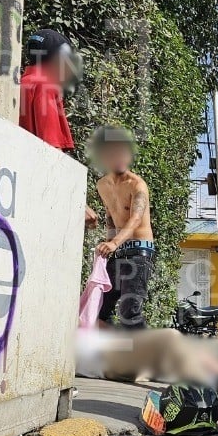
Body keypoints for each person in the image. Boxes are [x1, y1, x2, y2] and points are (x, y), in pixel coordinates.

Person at [19, 29, 95, 228]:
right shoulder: (46, 86)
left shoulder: (21, 83)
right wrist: (77, 202)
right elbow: (52, 151)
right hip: (40, 191)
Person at [92, 126, 155, 330]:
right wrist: (108, 243)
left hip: (139, 253)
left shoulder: (137, 185)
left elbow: (135, 219)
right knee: (98, 309)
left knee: (130, 311)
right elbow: (111, 217)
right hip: (119, 252)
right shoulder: (102, 185)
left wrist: (113, 243)